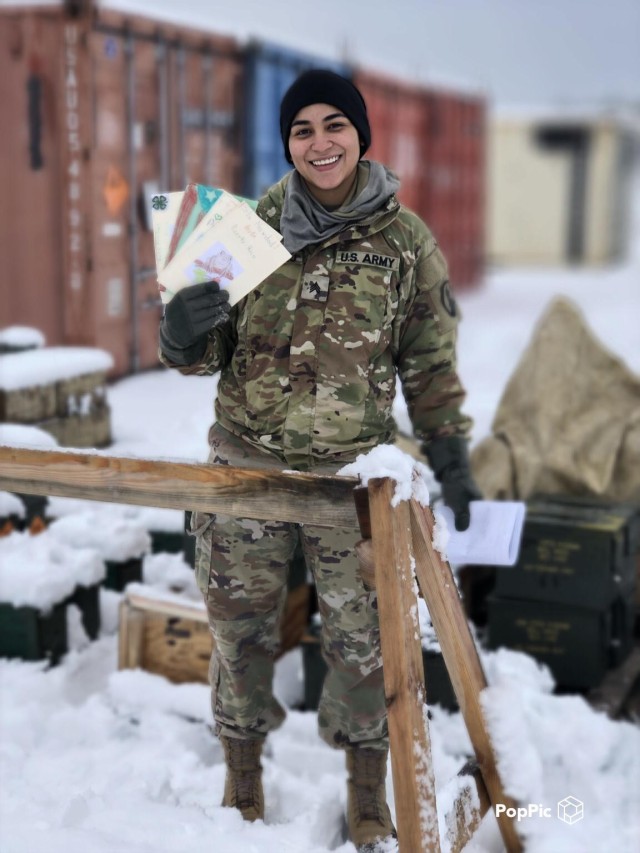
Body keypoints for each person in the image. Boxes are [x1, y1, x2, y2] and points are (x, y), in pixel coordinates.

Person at [158, 69, 480, 851]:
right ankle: (243, 771)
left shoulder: (404, 244)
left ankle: (367, 788)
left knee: (364, 642)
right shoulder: (242, 231)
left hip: (352, 478)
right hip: (247, 465)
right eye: (302, 130)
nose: (320, 142)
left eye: (334, 124)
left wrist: (451, 453)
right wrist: (180, 331)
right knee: (238, 630)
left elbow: (429, 363)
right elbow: (204, 355)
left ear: (360, 135)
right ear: (288, 145)